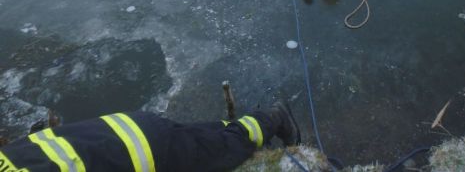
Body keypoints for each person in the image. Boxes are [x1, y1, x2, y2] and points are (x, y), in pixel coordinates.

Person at [0, 102, 300, 172]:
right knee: (201, 140)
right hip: (116, 130)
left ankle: (274, 117)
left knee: (226, 151)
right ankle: (237, 125)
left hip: (145, 151)